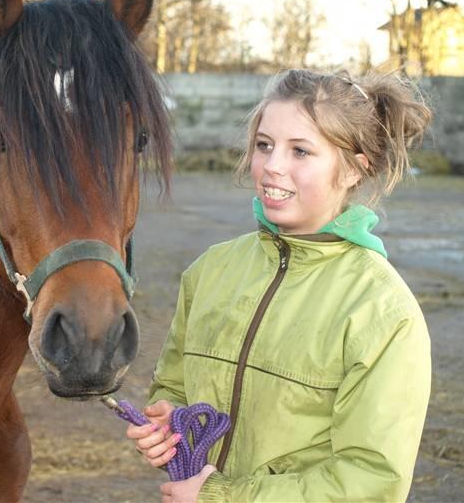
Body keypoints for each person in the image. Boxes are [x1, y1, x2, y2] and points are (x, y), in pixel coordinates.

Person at [126, 69, 433, 503]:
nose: (272, 166)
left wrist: (223, 496)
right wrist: (171, 423)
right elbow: (174, 388)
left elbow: (371, 481)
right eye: (264, 145)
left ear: (352, 170)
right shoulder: (210, 270)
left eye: (301, 151)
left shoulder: (382, 311)